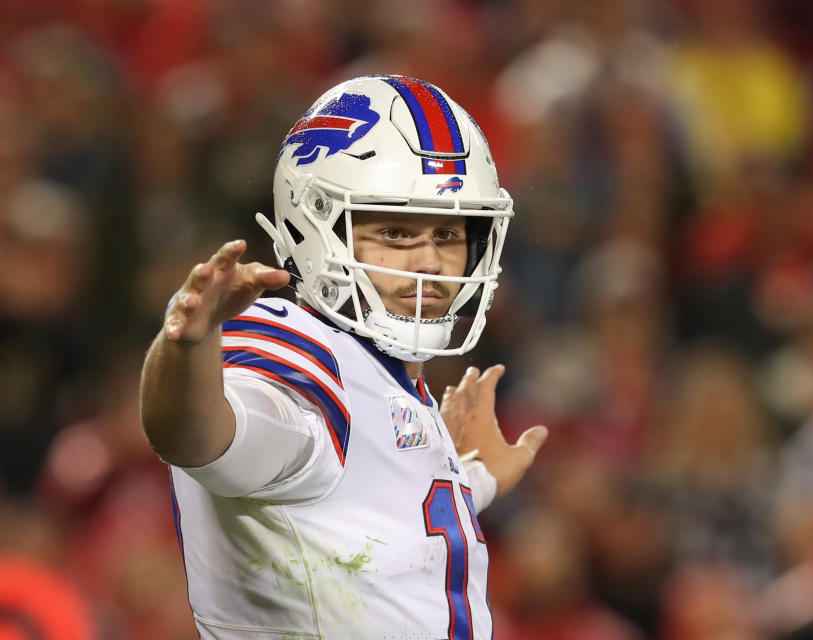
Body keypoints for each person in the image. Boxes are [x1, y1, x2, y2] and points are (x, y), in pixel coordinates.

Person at [139, 75, 548, 639]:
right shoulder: (295, 352)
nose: (430, 261)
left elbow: (366, 513)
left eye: (450, 234)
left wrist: (468, 477)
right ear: (318, 230)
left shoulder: (377, 373)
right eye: (396, 232)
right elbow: (207, 439)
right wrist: (187, 349)